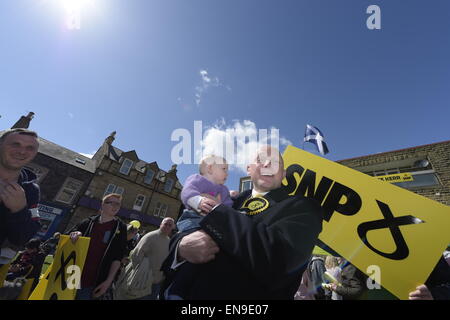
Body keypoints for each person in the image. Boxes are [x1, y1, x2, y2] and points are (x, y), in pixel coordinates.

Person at [160, 145, 323, 300]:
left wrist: (216, 211)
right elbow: (180, 234)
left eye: (275, 162)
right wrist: (181, 248)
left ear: (284, 173)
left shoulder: (303, 208)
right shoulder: (229, 200)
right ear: (249, 169)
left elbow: (280, 264)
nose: (267, 164)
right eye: (260, 159)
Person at [68, 193, 127, 300]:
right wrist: (76, 234)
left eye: (118, 204)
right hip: (72, 275)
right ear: (103, 204)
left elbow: (117, 258)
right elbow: (67, 238)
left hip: (93, 281)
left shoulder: (121, 227)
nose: (115, 206)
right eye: (111, 203)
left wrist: (108, 281)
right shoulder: (88, 222)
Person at [0, 129, 41, 266]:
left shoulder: (31, 191)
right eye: (15, 144)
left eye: (30, 148)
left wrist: (19, 210)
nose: (22, 152)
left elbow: (21, 238)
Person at [114, 217, 175, 300]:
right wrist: (139, 273)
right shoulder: (151, 236)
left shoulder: (169, 241)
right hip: (143, 281)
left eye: (170, 225)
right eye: (165, 224)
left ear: (173, 227)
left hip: (156, 283)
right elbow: (136, 254)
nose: (167, 226)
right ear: (161, 224)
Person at [176, 155, 233, 233]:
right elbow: (187, 191)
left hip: (215, 222)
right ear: (210, 168)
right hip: (193, 217)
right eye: (224, 169)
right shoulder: (197, 179)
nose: (227, 174)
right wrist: (198, 201)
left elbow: (228, 205)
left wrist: (231, 213)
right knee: (192, 231)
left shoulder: (224, 190)